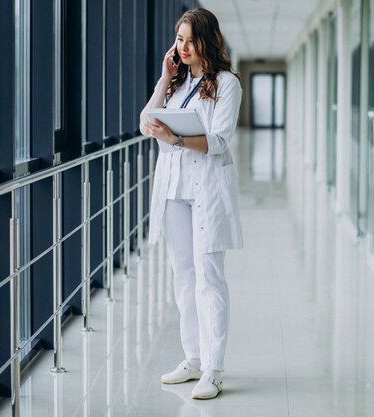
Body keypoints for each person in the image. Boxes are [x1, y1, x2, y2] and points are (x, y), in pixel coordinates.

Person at [139, 8, 242, 400]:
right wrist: (165, 77)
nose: (181, 47)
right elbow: (145, 121)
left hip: (206, 192)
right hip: (173, 192)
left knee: (209, 278)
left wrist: (177, 140)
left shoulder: (226, 84)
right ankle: (193, 358)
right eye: (178, 39)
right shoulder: (177, 84)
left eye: (188, 40)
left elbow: (218, 141)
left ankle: (214, 370)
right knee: (183, 275)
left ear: (206, 41)